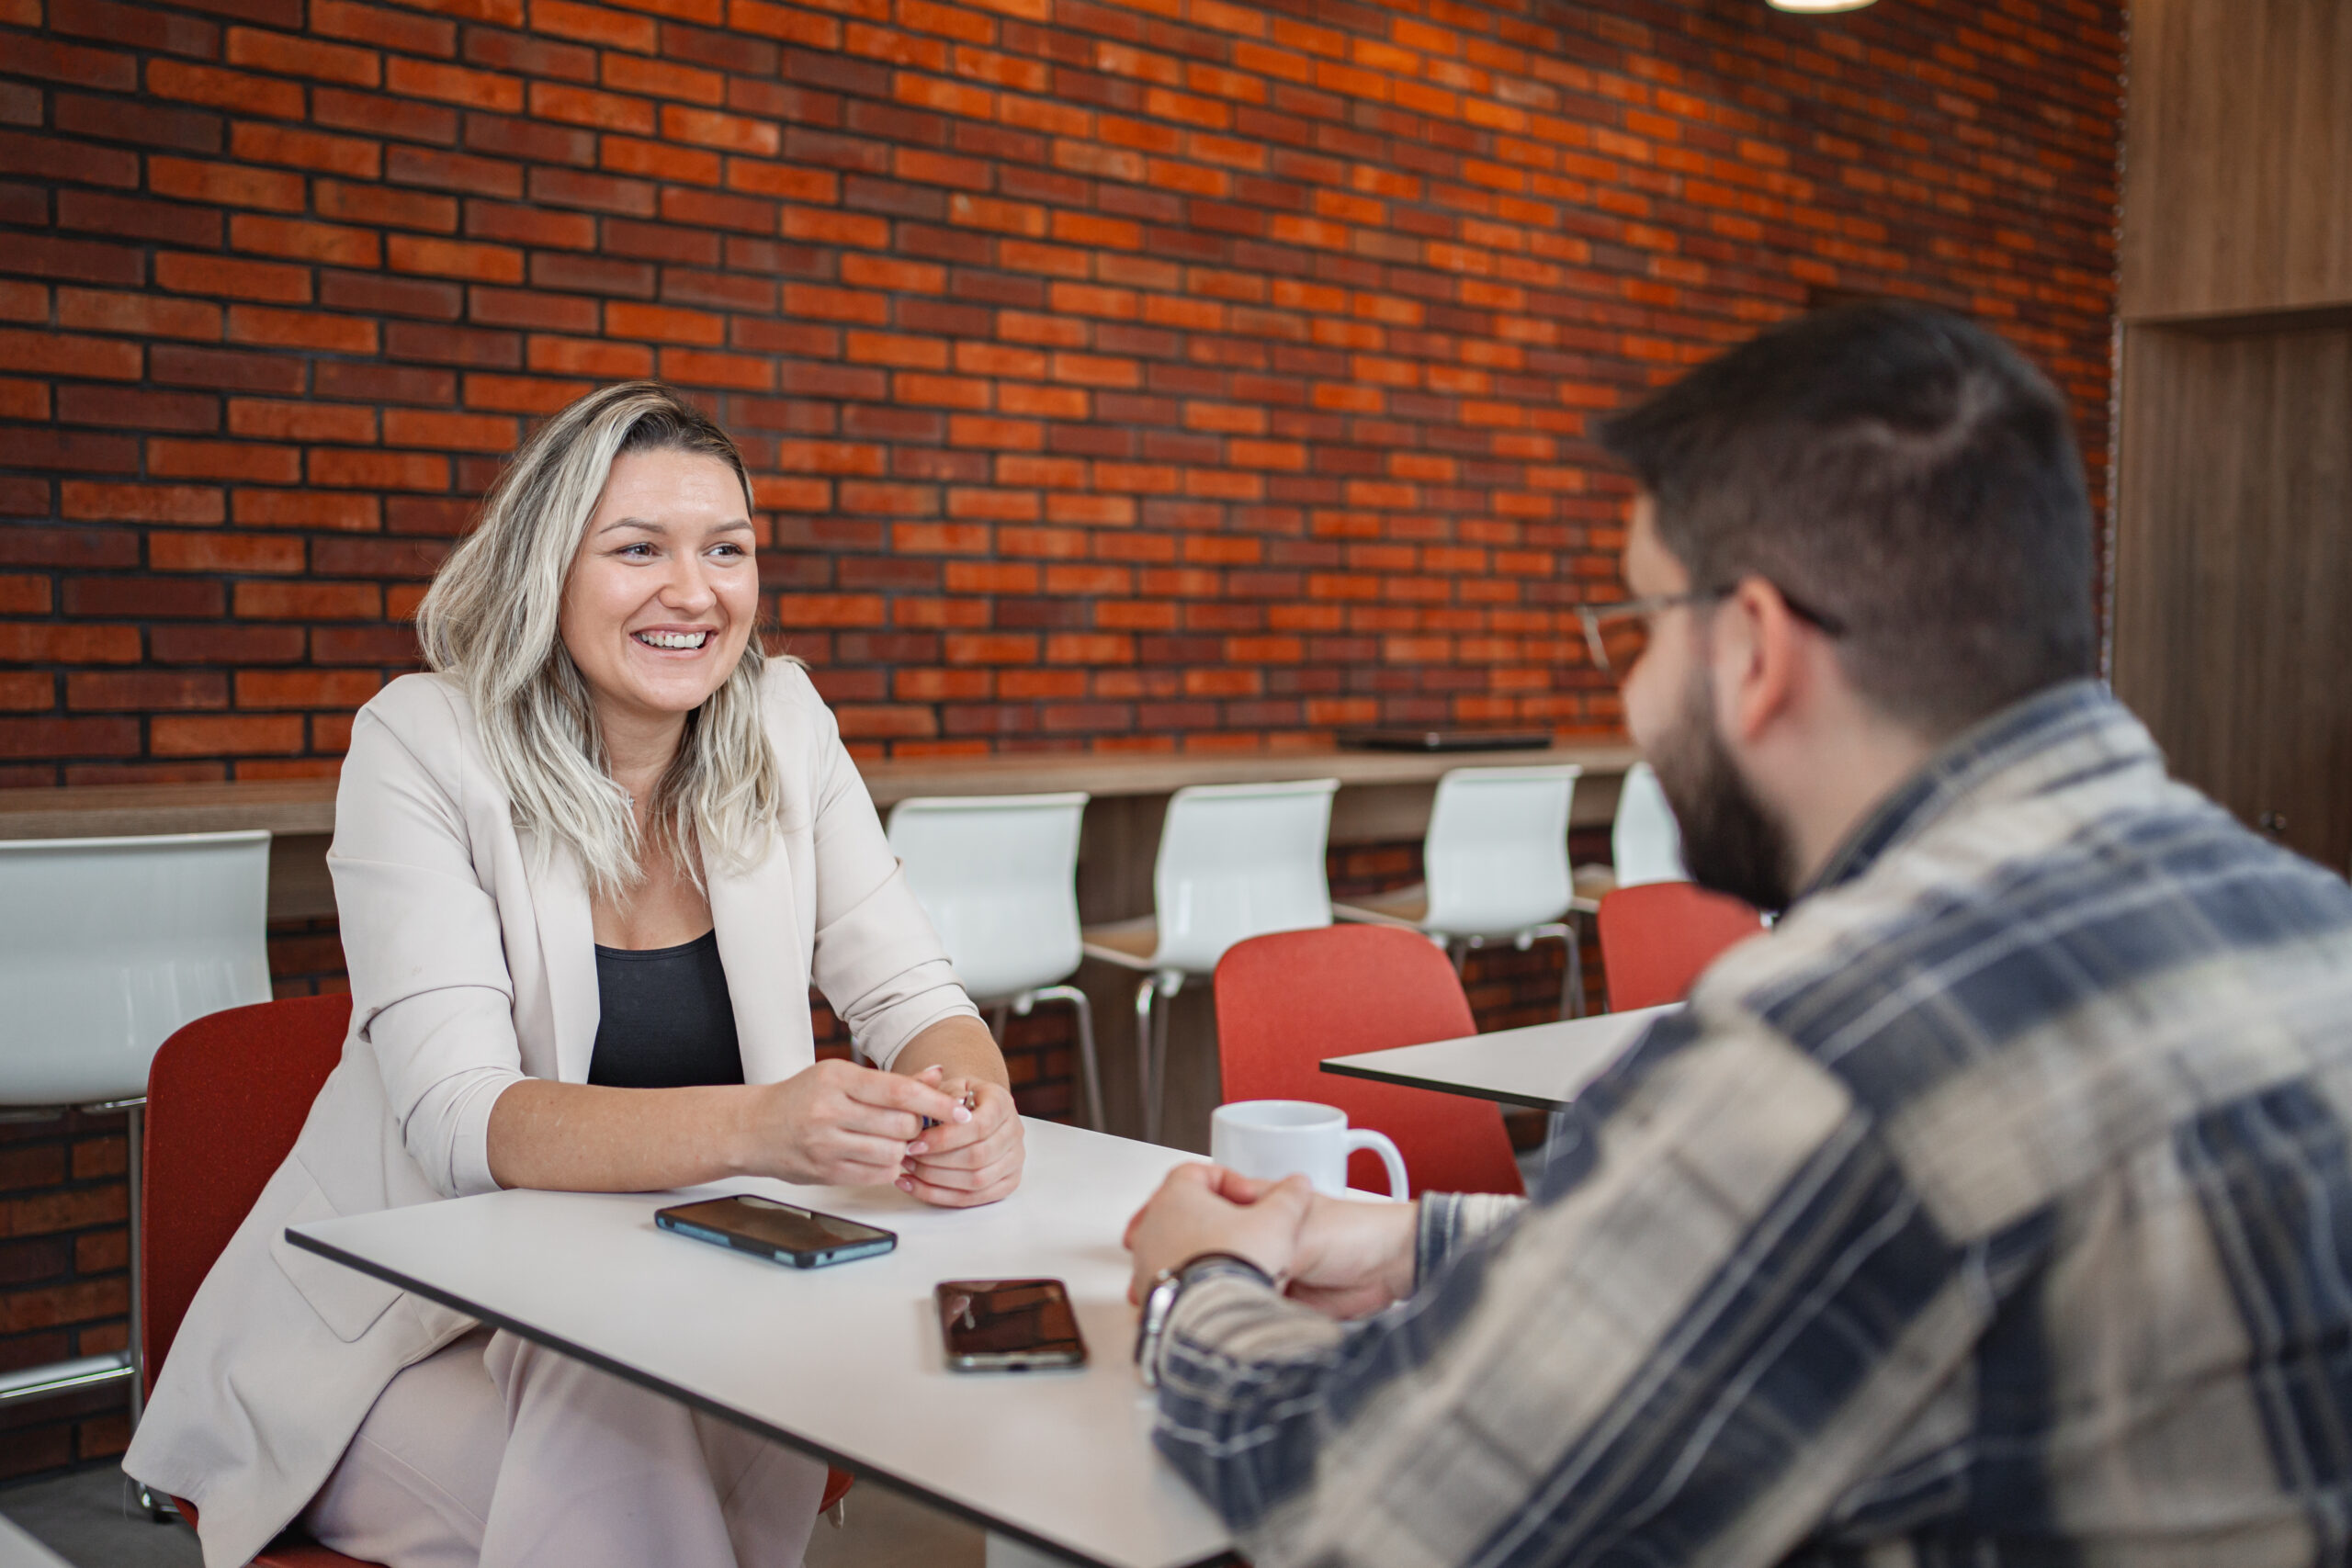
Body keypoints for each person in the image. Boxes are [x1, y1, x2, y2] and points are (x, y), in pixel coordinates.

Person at [1124, 302, 2352, 1565]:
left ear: (1755, 650)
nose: (1633, 688)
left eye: (1642, 625)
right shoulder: (2309, 925)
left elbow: (1372, 1516)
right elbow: (1840, 1262)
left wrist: (1195, 1290)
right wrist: (1412, 1241)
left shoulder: (1825, 1047)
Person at [125, 383, 1025, 1568]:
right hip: (395, 1348)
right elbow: (464, 1121)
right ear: (549, 566)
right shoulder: (421, 743)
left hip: (671, 1310)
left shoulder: (785, 722)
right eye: (638, 549)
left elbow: (914, 997)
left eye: (727, 551)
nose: (694, 592)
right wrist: (765, 1125)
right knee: (626, 1456)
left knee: (695, 1404)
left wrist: (973, 1103)